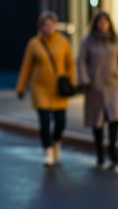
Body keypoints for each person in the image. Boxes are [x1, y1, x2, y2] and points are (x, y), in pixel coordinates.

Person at [17, 11, 76, 166]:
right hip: (40, 88)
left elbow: (70, 63)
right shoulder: (34, 43)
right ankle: (48, 151)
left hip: (58, 89)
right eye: (45, 25)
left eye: (51, 24)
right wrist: (21, 87)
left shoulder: (63, 42)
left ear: (55, 25)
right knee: (44, 122)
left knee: (60, 122)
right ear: (41, 26)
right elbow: (26, 66)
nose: (48, 27)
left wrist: (72, 81)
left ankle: (56, 140)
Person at [78, 11, 118, 167]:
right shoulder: (88, 40)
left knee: (116, 117)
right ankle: (100, 151)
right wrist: (84, 79)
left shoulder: (115, 39)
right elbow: (81, 60)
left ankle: (113, 148)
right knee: (97, 120)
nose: (102, 24)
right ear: (95, 24)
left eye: (105, 21)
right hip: (95, 84)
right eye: (99, 21)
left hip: (114, 83)